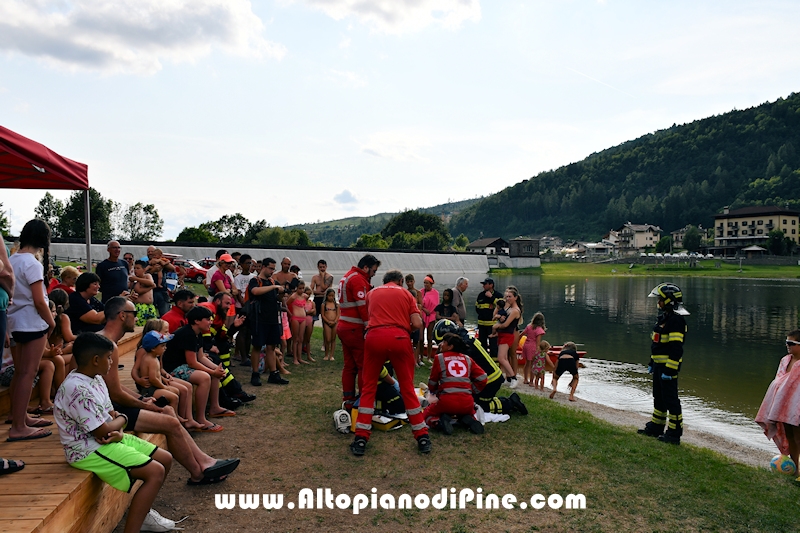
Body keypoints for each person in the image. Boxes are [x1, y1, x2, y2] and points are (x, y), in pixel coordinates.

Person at [97, 297, 241, 493]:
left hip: (109, 407)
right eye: (134, 314)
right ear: (123, 316)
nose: (137, 318)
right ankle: (198, 472)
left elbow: (116, 388)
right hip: (107, 413)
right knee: (170, 420)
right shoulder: (107, 345)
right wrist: (146, 404)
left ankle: (204, 462)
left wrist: (141, 399)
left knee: (167, 411)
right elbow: (116, 393)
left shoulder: (106, 342)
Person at [54, 333, 173, 533]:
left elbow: (111, 415)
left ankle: (142, 514)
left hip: (106, 440)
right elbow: (104, 429)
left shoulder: (97, 379)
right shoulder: (77, 389)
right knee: (155, 471)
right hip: (86, 450)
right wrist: (122, 422)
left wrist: (117, 428)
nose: (111, 362)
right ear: (95, 360)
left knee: (165, 459)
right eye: (109, 357)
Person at [350, 269, 429, 456]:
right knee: (408, 389)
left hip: (374, 337)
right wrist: (403, 328)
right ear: (401, 281)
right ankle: (422, 437)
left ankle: (361, 438)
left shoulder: (371, 293)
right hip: (399, 338)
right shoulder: (407, 294)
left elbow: (370, 317)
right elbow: (417, 324)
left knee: (369, 388)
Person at [6, 219, 56, 441]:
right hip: (32, 323)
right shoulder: (33, 263)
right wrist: (51, 322)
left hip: (14, 321)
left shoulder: (12, 259)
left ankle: (17, 415)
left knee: (19, 372)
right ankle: (18, 426)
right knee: (29, 372)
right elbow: (39, 300)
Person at [433, 319, 528, 417]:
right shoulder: (464, 340)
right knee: (471, 400)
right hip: (488, 377)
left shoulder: (463, 347)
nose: (441, 347)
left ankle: (510, 403)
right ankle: (508, 400)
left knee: (478, 406)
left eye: (442, 343)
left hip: (489, 380)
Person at [162, 305, 235, 430]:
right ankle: (201, 418)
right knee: (205, 377)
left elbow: (201, 357)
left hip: (183, 365)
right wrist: (212, 372)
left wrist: (217, 369)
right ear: (197, 321)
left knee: (214, 373)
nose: (211, 322)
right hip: (171, 369)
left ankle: (214, 407)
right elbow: (192, 363)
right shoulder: (187, 333)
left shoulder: (197, 333)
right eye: (207, 319)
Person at [637, 283, 689, 445]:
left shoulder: (676, 321)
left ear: (669, 300)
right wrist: (652, 362)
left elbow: (676, 348)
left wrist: (670, 369)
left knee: (671, 400)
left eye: (660, 299)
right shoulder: (664, 318)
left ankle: (674, 433)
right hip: (659, 367)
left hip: (668, 368)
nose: (658, 302)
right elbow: (657, 344)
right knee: (658, 398)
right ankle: (656, 427)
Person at [338, 254, 380, 410]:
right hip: (355, 329)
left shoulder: (348, 276)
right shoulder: (357, 279)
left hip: (344, 326)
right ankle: (365, 400)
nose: (374, 274)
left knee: (349, 366)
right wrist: (370, 327)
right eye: (373, 271)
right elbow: (363, 307)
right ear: (366, 267)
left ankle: (348, 399)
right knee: (363, 366)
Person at [423, 332, 487, 435]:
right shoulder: (467, 359)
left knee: (427, 414)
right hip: (467, 402)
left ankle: (437, 422)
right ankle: (468, 420)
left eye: (444, 342)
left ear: (450, 347)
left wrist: (434, 393)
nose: (441, 344)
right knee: (469, 412)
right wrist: (471, 390)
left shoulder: (439, 358)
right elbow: (483, 378)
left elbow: (432, 382)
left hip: (447, 401)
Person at [756, 330, 800, 471]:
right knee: (790, 436)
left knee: (799, 437)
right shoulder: (785, 361)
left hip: (797, 407)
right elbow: (780, 382)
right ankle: (795, 468)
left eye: (791, 343)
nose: (787, 345)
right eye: (786, 342)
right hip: (784, 407)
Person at [247, 258, 288, 386]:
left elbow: (277, 298)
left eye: (273, 269)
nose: (272, 271)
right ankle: (255, 374)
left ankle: (274, 374)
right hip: (259, 319)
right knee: (257, 346)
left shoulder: (272, 282)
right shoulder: (255, 281)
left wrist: (281, 293)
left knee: (271, 347)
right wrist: (274, 286)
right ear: (263, 267)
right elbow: (254, 291)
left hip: (272, 319)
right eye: (270, 268)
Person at [492, 286, 523, 389]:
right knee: (504, 357)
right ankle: (508, 378)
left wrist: (497, 326)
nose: (507, 298)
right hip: (502, 334)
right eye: (506, 296)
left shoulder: (515, 311)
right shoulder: (507, 307)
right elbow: (496, 315)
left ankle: (514, 378)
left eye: (510, 296)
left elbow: (506, 324)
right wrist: (498, 314)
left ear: (515, 297)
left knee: (501, 358)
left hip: (507, 334)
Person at [475, 277, 501, 353]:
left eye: (485, 284)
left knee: (493, 345)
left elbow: (502, 307)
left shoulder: (498, 295)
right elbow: (477, 307)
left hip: (492, 326)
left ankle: (495, 363)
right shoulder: (480, 295)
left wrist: (492, 298)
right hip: (482, 325)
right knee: (482, 346)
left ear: (491, 285)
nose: (483, 286)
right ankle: (483, 363)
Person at [129, 260, 158, 327]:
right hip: (140, 306)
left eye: (138, 268)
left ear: (144, 269)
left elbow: (150, 282)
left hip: (150, 306)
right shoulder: (134, 281)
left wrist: (137, 278)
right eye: (135, 268)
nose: (136, 270)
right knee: (140, 326)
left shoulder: (147, 276)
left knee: (152, 326)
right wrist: (151, 287)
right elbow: (139, 290)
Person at [522, 312, 547, 387]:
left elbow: (522, 334)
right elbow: (538, 342)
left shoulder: (529, 326)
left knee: (526, 363)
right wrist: (538, 351)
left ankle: (525, 379)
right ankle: (531, 382)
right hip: (532, 347)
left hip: (526, 345)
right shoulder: (539, 330)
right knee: (533, 365)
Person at [287, 281, 309, 365]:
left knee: (301, 338)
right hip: (295, 318)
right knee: (295, 338)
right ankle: (295, 358)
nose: (302, 290)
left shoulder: (305, 296)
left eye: (303, 288)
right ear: (296, 288)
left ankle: (299, 358)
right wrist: (290, 314)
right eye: (300, 288)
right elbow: (287, 304)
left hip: (303, 318)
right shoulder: (293, 296)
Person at [404, 274, 424, 364]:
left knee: (419, 339)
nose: (409, 283)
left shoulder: (418, 292)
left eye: (411, 281)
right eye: (407, 282)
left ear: (414, 281)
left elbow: (421, 305)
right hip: (408, 319)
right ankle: (410, 358)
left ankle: (418, 359)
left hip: (417, 317)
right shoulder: (405, 292)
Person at [420, 275, 439, 361]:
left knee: (429, 337)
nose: (425, 285)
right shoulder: (421, 292)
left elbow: (436, 305)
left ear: (431, 284)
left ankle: (428, 357)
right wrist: (424, 309)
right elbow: (419, 304)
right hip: (423, 314)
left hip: (431, 315)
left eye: (427, 283)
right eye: (424, 283)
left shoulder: (436, 293)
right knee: (421, 337)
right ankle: (420, 356)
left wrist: (430, 312)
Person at [321, 288, 339, 361]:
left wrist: (334, 321)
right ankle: (326, 354)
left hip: (334, 323)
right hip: (327, 323)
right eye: (329, 296)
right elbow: (323, 315)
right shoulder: (324, 304)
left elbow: (338, 315)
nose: (331, 297)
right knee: (327, 339)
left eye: (332, 296)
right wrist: (328, 321)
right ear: (327, 296)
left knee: (333, 339)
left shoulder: (336, 305)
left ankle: (331, 355)